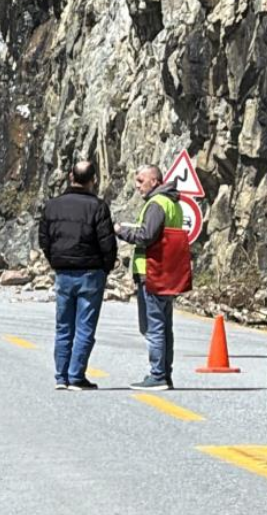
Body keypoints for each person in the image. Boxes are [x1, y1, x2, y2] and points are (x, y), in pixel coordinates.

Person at [39, 160, 118, 391]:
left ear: (69, 176)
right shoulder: (98, 207)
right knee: (85, 327)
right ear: (93, 180)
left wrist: (55, 260)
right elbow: (107, 242)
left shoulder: (52, 206)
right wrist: (106, 267)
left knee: (63, 326)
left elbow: (44, 238)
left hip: (63, 272)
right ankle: (76, 376)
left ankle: (60, 377)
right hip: (91, 273)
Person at [115, 165, 192, 391]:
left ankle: (157, 374)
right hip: (167, 271)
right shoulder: (173, 203)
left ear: (155, 181)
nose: (137, 185)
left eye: (141, 180)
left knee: (153, 326)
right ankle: (164, 373)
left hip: (152, 271)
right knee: (164, 325)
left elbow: (147, 235)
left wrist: (122, 231)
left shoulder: (157, 204)